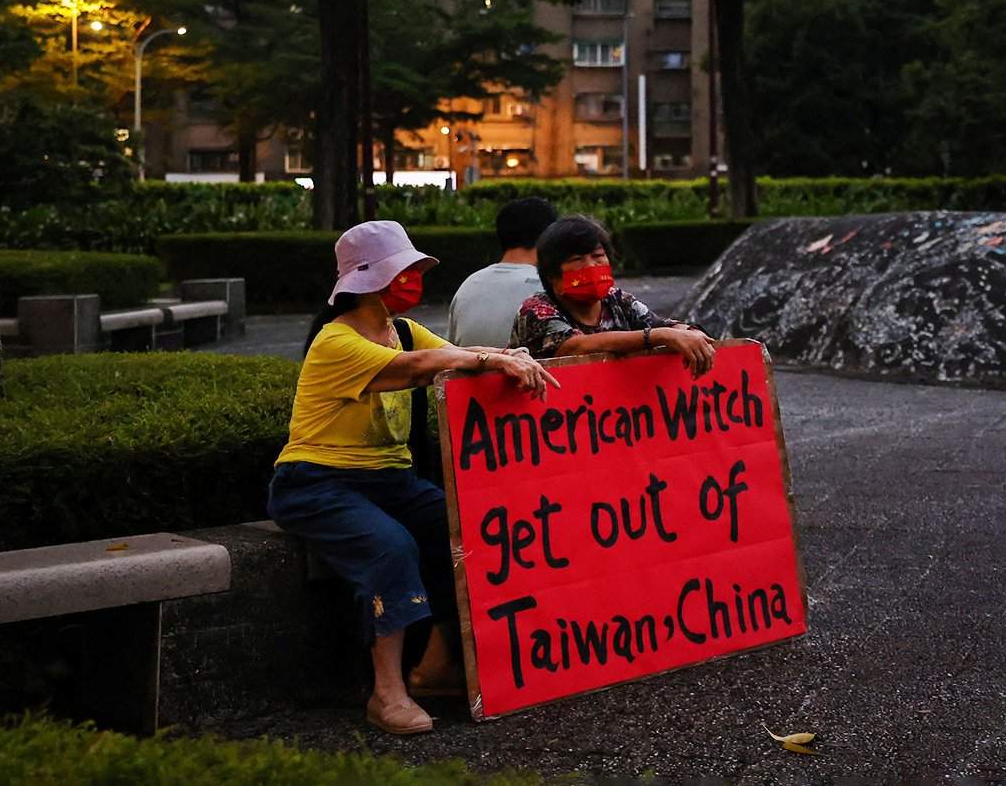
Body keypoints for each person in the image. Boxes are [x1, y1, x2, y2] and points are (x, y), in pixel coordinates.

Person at [267, 220, 558, 736]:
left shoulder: (398, 328)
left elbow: (453, 360)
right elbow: (425, 364)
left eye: (414, 270)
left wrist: (509, 358)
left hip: (391, 481)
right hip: (316, 482)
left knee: (470, 532)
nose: (412, 280)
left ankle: (437, 666)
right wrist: (489, 356)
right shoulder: (336, 342)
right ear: (368, 281)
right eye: (403, 271)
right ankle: (387, 693)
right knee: (391, 547)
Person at [510, 214, 717, 373]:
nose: (591, 266)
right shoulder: (536, 310)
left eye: (598, 256)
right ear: (552, 276)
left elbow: (662, 325)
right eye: (577, 260)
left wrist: (690, 333)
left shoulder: (618, 300)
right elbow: (577, 347)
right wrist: (659, 336)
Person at [447, 196, 556, 348]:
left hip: (467, 370)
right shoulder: (549, 287)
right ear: (550, 238)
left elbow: (450, 350)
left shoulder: (469, 284)